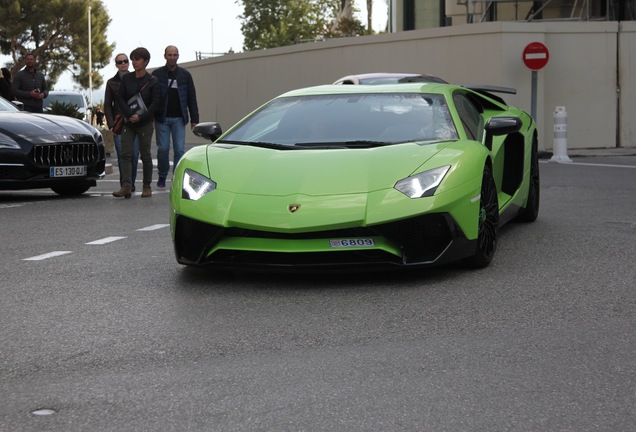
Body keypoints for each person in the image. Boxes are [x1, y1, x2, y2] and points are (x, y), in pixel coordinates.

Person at [112, 47, 160, 199]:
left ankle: (147, 186)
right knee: (125, 155)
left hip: (145, 123)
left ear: (145, 62)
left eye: (137, 59)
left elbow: (155, 103)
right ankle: (126, 186)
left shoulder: (153, 81)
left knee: (145, 155)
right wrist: (130, 114)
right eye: (132, 59)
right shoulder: (127, 79)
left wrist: (141, 117)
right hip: (128, 122)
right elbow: (120, 98)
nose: (133, 62)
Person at [152, 45, 199, 189]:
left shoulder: (185, 75)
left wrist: (194, 119)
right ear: (165, 56)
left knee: (179, 150)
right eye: (169, 55)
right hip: (162, 118)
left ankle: (176, 178)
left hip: (179, 118)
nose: (172, 57)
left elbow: (191, 97)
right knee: (163, 149)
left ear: (178, 56)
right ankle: (162, 175)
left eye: (174, 55)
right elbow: (152, 97)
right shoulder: (157, 74)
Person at [104, 53, 140, 192]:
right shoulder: (111, 82)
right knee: (122, 155)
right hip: (119, 123)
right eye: (120, 62)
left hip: (135, 122)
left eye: (125, 61)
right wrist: (111, 124)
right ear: (116, 65)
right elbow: (107, 105)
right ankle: (125, 184)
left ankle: (131, 182)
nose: (123, 63)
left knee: (135, 155)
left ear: (129, 63)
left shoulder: (136, 79)